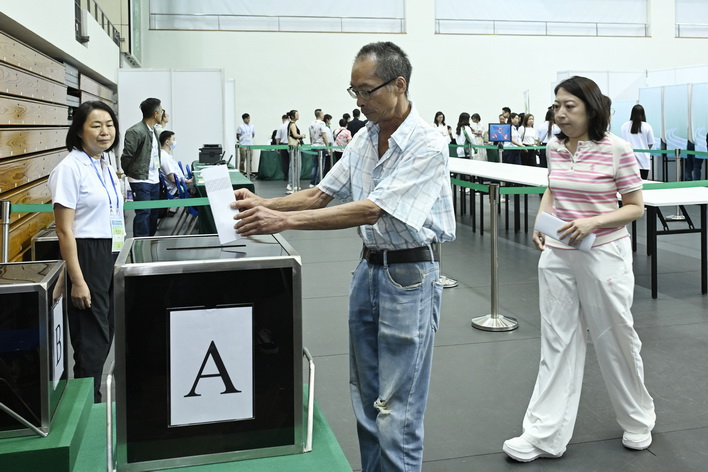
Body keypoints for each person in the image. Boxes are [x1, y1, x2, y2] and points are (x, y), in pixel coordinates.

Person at [232, 41, 455, 472]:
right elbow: (321, 193)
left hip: (410, 275)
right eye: (354, 91)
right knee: (367, 398)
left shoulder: (428, 143)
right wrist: (262, 203)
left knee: (398, 408)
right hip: (369, 271)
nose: (359, 101)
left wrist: (282, 220)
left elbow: (373, 208)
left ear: (399, 85)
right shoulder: (364, 139)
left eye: (367, 90)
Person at [503, 76, 655, 463]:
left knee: (615, 337)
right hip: (558, 254)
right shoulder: (554, 147)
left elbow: (635, 207)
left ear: (591, 109)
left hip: (604, 254)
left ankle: (637, 420)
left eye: (569, 106)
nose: (560, 113)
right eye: (557, 106)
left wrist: (593, 223)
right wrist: (541, 221)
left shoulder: (617, 149)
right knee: (556, 341)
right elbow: (554, 189)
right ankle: (544, 433)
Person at [48, 101, 124, 403]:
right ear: (79, 131)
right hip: (88, 254)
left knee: (106, 333)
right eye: (96, 125)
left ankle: (92, 401)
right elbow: (64, 230)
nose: (105, 131)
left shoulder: (105, 163)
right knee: (91, 340)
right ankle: (87, 406)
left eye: (109, 124)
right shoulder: (69, 168)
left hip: (111, 250)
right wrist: (76, 279)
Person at [120, 97, 163, 237]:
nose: (162, 113)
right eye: (161, 110)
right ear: (155, 114)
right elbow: (127, 156)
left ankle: (150, 241)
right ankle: (140, 243)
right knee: (144, 213)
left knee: (154, 213)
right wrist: (131, 173)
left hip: (154, 179)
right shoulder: (135, 131)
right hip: (140, 179)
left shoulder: (153, 130)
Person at [620, 105, 655, 180]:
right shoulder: (647, 126)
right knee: (643, 182)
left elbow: (623, 142)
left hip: (628, 159)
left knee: (629, 183)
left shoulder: (624, 126)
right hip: (643, 160)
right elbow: (650, 143)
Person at [159, 130, 192, 196]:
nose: (175, 142)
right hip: (175, 190)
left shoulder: (166, 155)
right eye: (173, 139)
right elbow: (173, 179)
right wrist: (188, 181)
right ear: (167, 142)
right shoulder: (165, 158)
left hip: (179, 186)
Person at [287, 109, 307, 193]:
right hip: (294, 147)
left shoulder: (292, 124)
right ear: (292, 116)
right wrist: (302, 135)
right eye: (297, 114)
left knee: (293, 165)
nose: (298, 116)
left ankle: (292, 183)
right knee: (295, 166)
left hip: (293, 147)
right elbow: (295, 135)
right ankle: (293, 184)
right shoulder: (292, 124)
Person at [308, 109, 329, 187]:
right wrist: (327, 146)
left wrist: (312, 144)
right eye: (322, 114)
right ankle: (318, 182)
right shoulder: (322, 124)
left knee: (314, 165)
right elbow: (324, 136)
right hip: (320, 146)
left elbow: (310, 136)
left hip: (313, 146)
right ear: (320, 115)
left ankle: (312, 182)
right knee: (321, 165)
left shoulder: (311, 124)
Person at [275, 113, 291, 191]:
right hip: (291, 144)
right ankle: (291, 177)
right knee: (292, 162)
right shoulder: (291, 125)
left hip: (283, 145)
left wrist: (277, 147)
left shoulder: (280, 127)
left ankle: (286, 177)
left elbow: (278, 138)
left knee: (285, 162)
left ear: (282, 119)